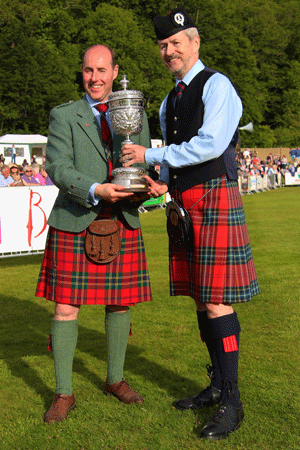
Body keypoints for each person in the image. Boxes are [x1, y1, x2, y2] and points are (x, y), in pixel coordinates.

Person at [121, 8, 260, 440]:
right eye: (163, 46)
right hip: (183, 203)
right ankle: (216, 384)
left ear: (195, 43)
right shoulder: (169, 100)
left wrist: (152, 157)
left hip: (215, 197)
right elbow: (174, 158)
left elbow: (211, 143)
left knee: (217, 300)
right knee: (201, 299)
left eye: (177, 43)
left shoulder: (218, 86)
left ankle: (232, 401)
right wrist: (153, 181)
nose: (169, 51)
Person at [35, 44, 157, 424]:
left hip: (121, 218)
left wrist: (149, 183)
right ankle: (63, 392)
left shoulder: (134, 112)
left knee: (120, 303)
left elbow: (144, 157)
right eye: (89, 70)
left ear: (114, 70)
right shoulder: (63, 115)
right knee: (65, 307)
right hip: (77, 216)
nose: (95, 78)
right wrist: (95, 188)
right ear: (82, 72)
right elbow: (57, 166)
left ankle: (115, 379)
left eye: (102, 70)